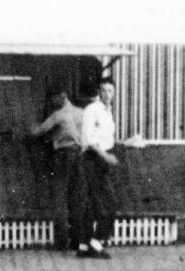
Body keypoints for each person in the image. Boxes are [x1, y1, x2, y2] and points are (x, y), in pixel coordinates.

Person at [30, 90, 84, 250]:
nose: (51, 102)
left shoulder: (58, 115)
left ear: (61, 96)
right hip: (80, 155)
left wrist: (32, 123)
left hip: (62, 156)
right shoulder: (81, 113)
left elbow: (37, 132)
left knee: (59, 197)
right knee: (77, 198)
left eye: (52, 98)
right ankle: (77, 240)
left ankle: (61, 241)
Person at [73, 78, 118, 259]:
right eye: (104, 90)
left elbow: (106, 138)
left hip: (102, 160)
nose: (107, 94)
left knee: (92, 204)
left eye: (110, 91)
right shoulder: (92, 110)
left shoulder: (108, 113)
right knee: (109, 202)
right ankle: (97, 242)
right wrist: (105, 155)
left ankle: (84, 246)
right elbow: (90, 140)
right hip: (93, 159)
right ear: (98, 92)